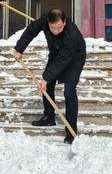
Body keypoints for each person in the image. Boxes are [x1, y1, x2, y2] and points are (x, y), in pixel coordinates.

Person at [13, 9, 86, 144]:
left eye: (59, 27)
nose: (56, 31)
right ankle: (49, 117)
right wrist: (19, 49)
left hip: (75, 56)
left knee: (69, 91)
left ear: (65, 22)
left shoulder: (72, 35)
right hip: (56, 52)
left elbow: (63, 60)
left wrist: (46, 79)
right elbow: (31, 31)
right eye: (52, 27)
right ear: (48, 22)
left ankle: (71, 130)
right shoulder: (44, 20)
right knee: (48, 84)